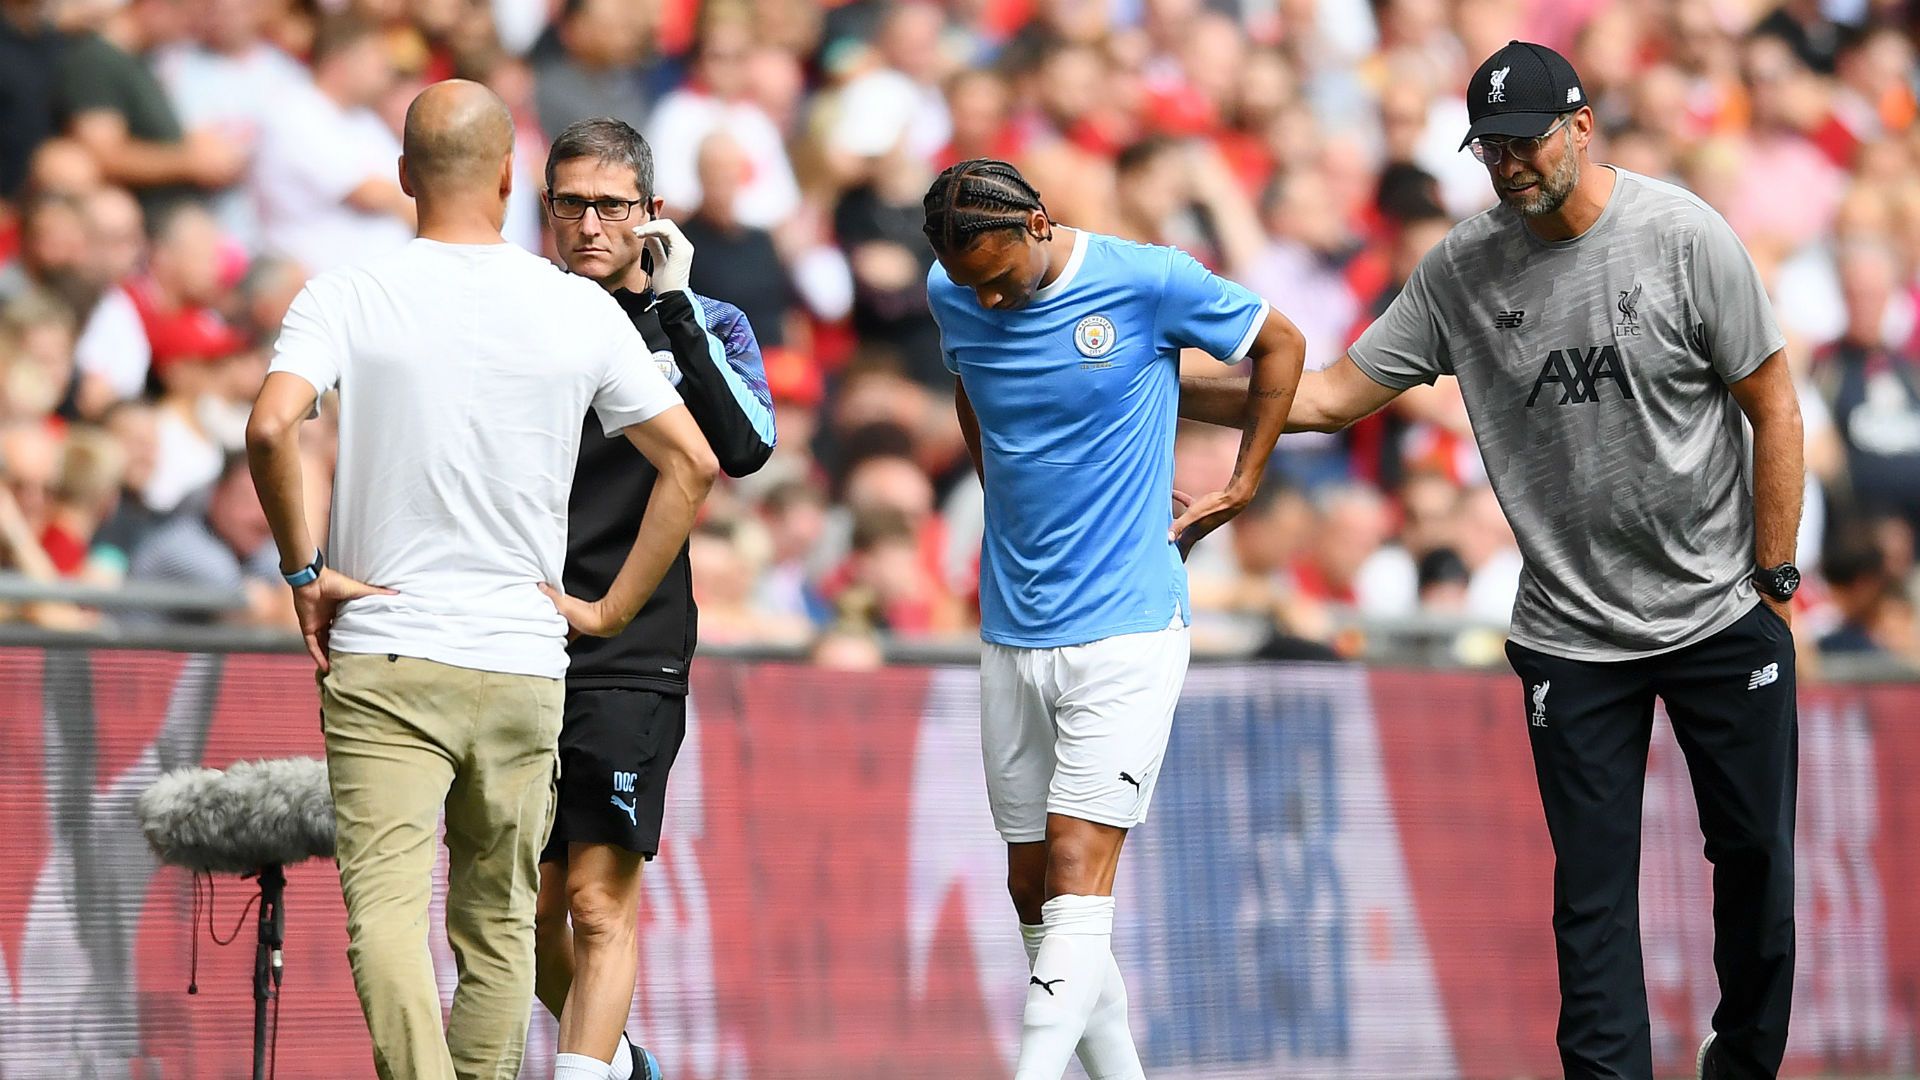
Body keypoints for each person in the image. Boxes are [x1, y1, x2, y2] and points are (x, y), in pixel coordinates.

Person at [1188, 40, 1804, 1080]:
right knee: (1592, 900)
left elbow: (1773, 403)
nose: (1511, 165)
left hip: (1715, 609)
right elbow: (1333, 396)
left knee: (1756, 871)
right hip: (1571, 635)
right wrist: (1157, 388)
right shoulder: (1462, 269)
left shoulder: (1683, 236)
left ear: (1580, 125)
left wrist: (1777, 578)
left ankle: (1740, 1062)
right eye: (1491, 148)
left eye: (1526, 143)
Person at [244, 80, 718, 1080]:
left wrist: (305, 566)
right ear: (512, 180)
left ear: (407, 177)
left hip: (386, 653)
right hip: (519, 659)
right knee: (498, 923)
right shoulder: (574, 309)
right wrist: (611, 608)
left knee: (384, 919)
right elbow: (694, 463)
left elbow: (272, 424)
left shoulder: (347, 291)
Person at [922, 157, 1305, 1080]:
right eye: (973, 286)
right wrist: (999, 480)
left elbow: (1282, 345)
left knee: (1077, 862)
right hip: (1013, 621)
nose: (992, 300)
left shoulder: (1148, 280)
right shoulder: (953, 289)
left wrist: (1242, 483)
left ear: (1041, 224)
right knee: (1030, 884)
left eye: (1001, 278)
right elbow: (970, 381)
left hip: (1128, 621)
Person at [535, 116, 776, 1080]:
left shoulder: (707, 320)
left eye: (611, 205)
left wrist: (673, 306)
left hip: (632, 644)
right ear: (544, 211)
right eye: (569, 204)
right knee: (526, 915)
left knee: (597, 904)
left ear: (652, 213)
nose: (590, 224)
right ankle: (624, 1064)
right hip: (521, 634)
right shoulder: (526, 317)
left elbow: (743, 450)